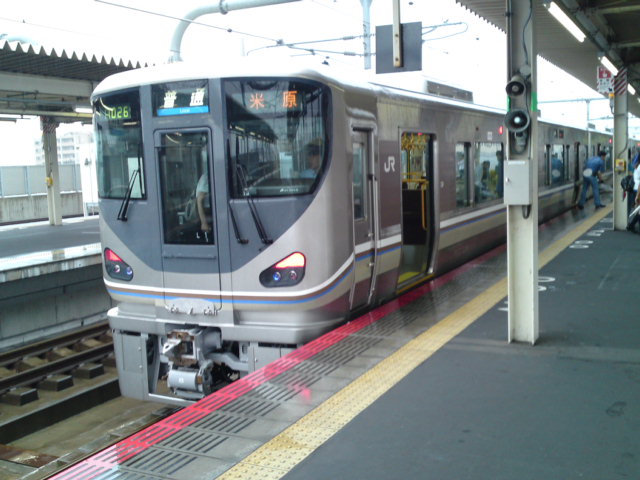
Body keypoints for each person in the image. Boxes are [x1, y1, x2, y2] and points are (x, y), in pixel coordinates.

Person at [627, 157, 640, 232]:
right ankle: (631, 225)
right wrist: (637, 196)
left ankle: (631, 225)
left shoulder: (638, 167)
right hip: (638, 190)